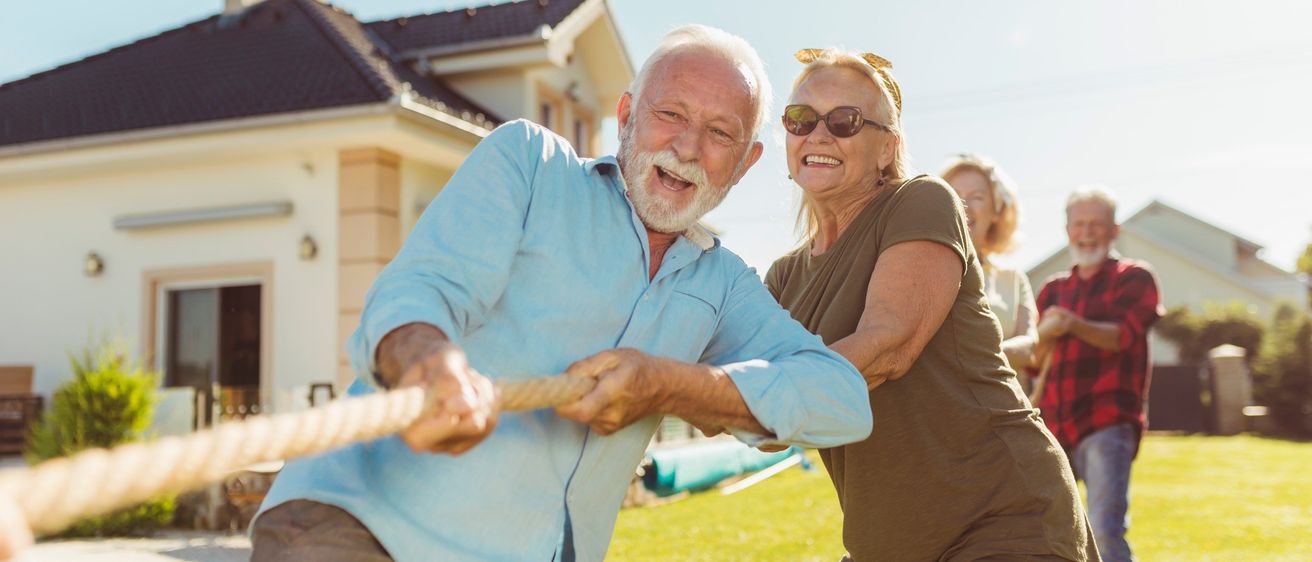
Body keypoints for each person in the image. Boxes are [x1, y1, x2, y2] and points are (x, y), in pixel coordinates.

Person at [251, 26, 872, 562]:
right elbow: (424, 288)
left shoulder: (724, 284)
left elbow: (842, 400)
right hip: (354, 528)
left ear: (745, 162)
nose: (686, 147)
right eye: (671, 114)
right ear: (626, 115)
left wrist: (674, 386)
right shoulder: (530, 164)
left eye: (719, 133)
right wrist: (427, 364)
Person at [765, 48, 1098, 561]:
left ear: (886, 148)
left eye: (845, 120)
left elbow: (885, 347)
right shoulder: (784, 277)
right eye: (801, 119)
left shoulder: (921, 201)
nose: (818, 134)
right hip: (887, 543)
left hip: (1003, 517)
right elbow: (764, 429)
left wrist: (734, 395)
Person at [1033, 187, 1163, 562]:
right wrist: (1044, 333)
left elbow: (1122, 336)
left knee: (1104, 529)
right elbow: (1034, 362)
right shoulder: (1052, 289)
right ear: (1067, 229)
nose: (1086, 232)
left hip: (1107, 422)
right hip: (1054, 425)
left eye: (1096, 224)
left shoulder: (1134, 277)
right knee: (1048, 529)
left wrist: (1072, 324)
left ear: (1114, 230)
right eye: (1079, 224)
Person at [942, 154, 1041, 396]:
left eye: (977, 197)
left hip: (1004, 407)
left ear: (997, 211)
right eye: (955, 196)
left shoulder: (1013, 279)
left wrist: (972, 359)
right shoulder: (923, 271)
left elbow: (1028, 346)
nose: (964, 205)